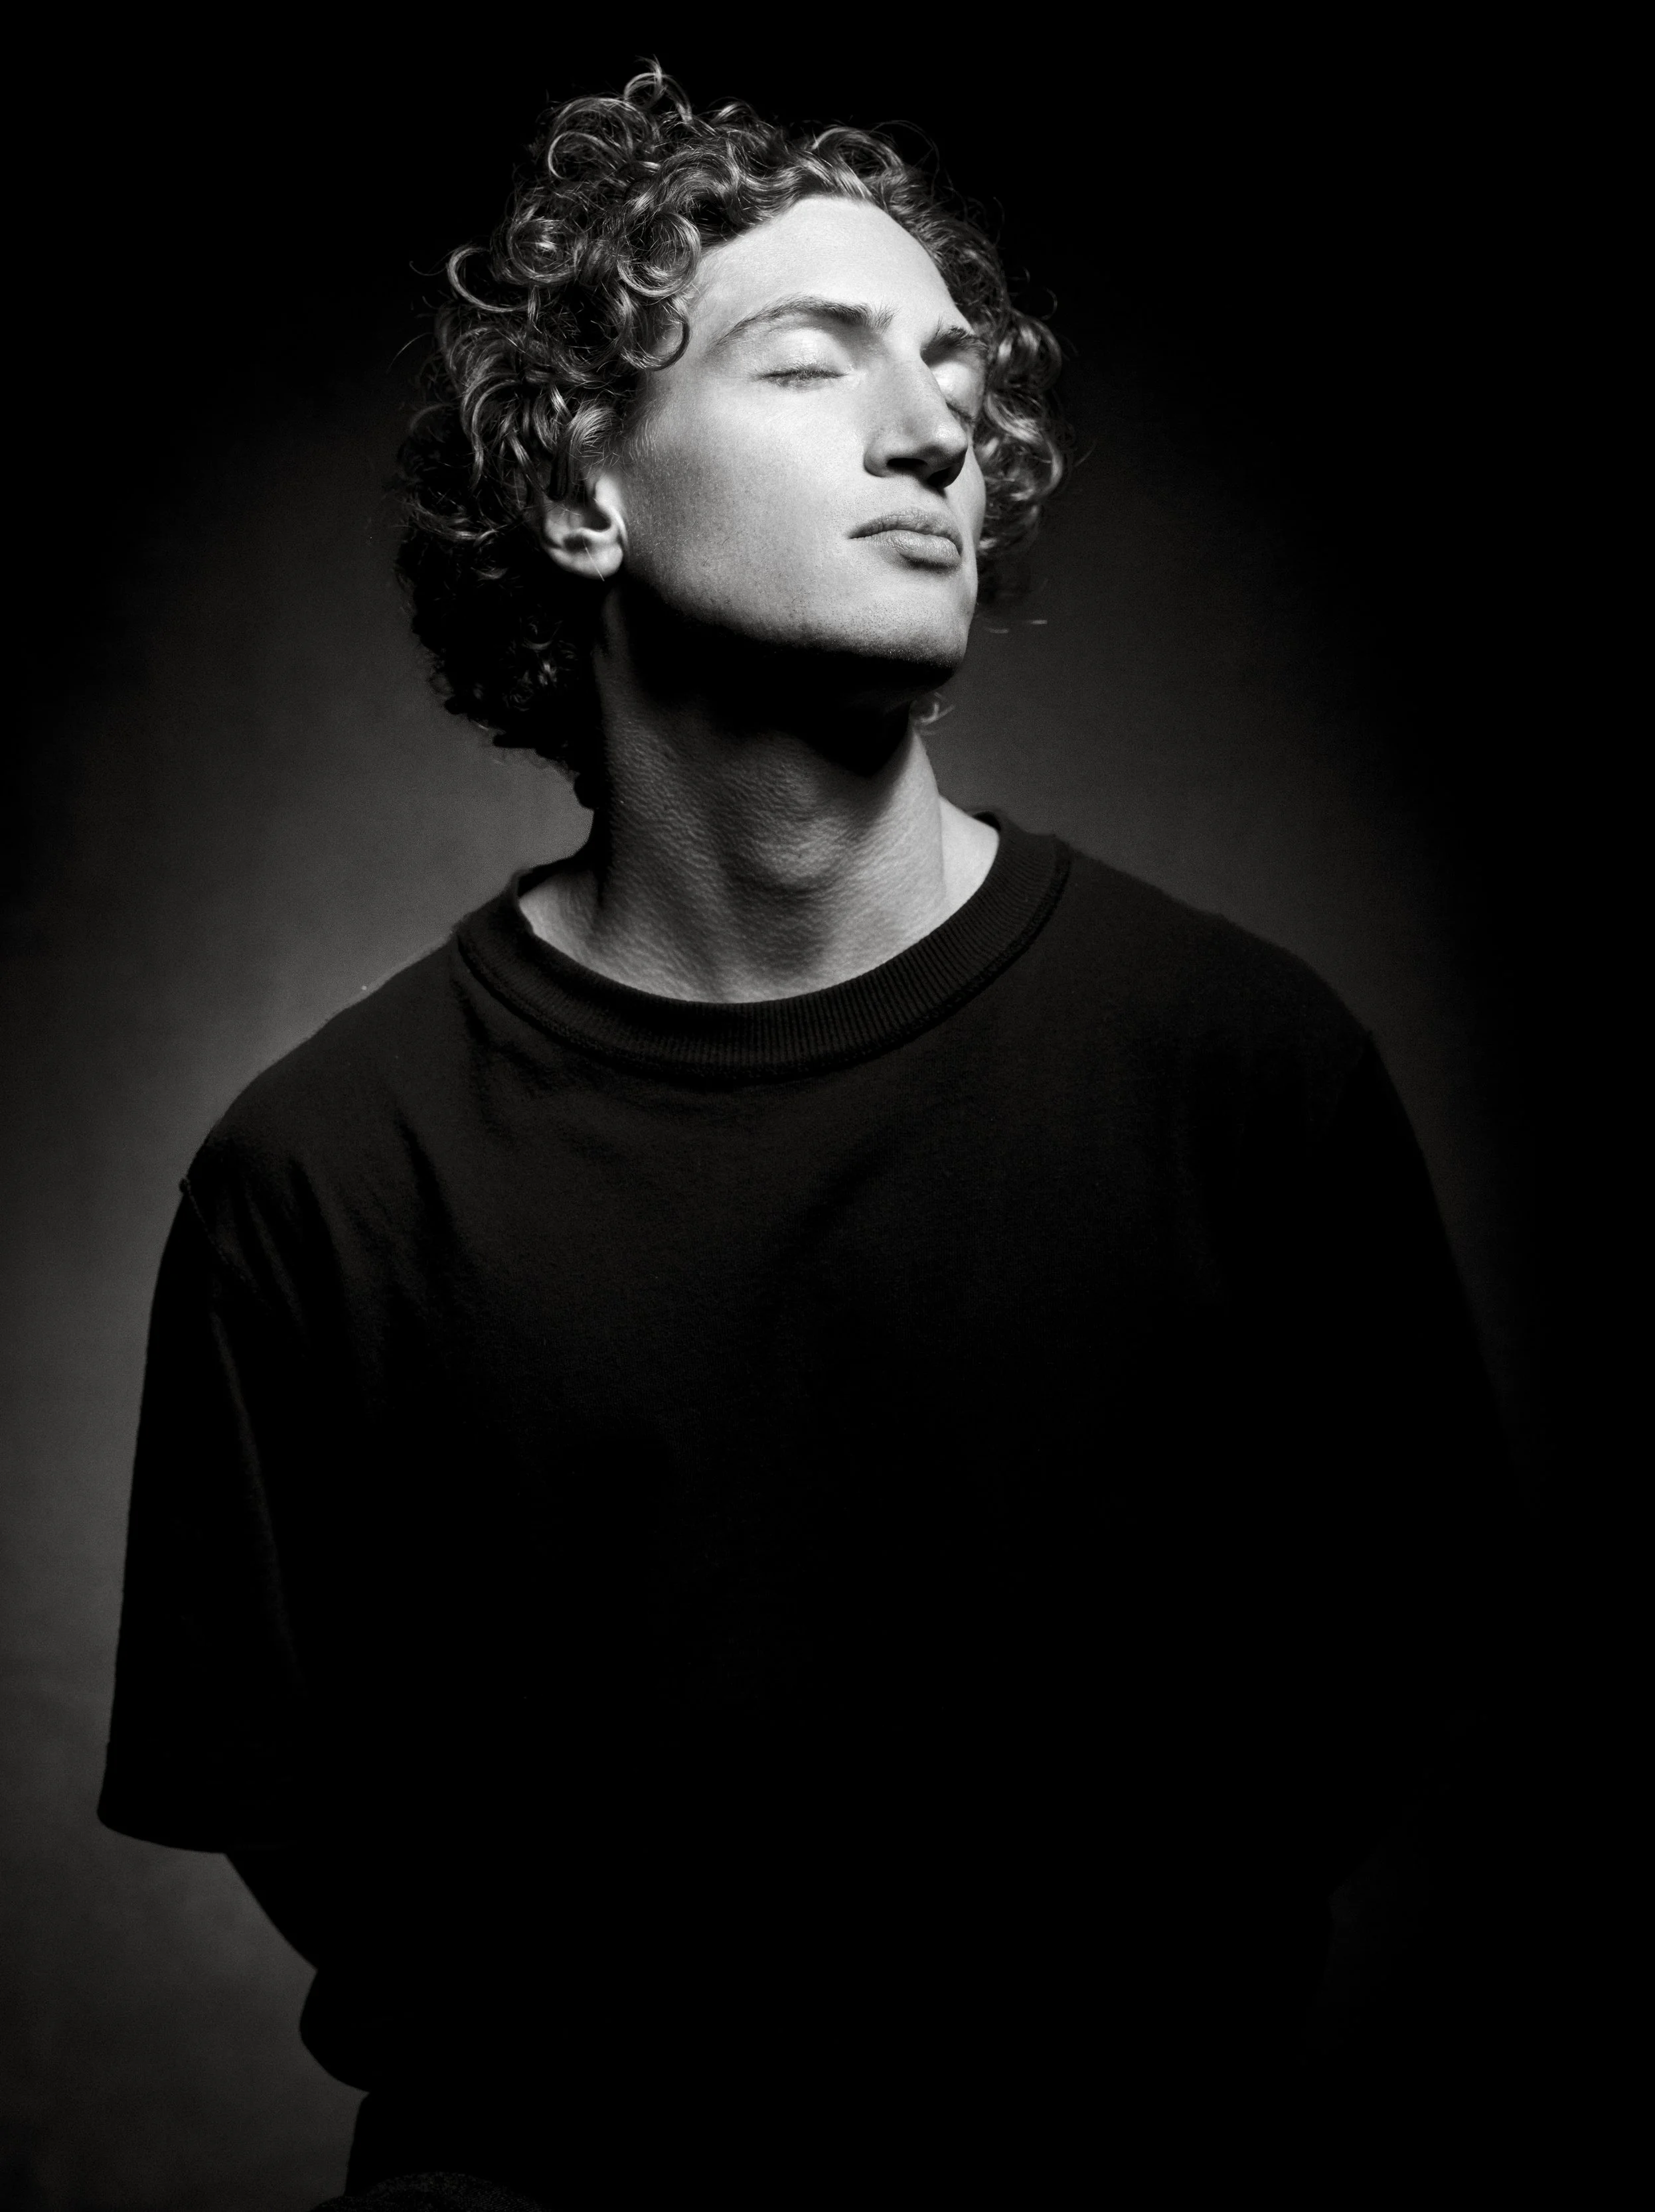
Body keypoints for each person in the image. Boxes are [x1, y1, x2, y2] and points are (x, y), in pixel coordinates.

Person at [98, 68, 1503, 2204]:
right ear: (581, 496)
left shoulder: (1235, 1068)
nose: (933, 432)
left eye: (951, 370)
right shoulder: (323, 1177)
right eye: (807, 359)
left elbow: (1386, 1687)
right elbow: (312, 1833)